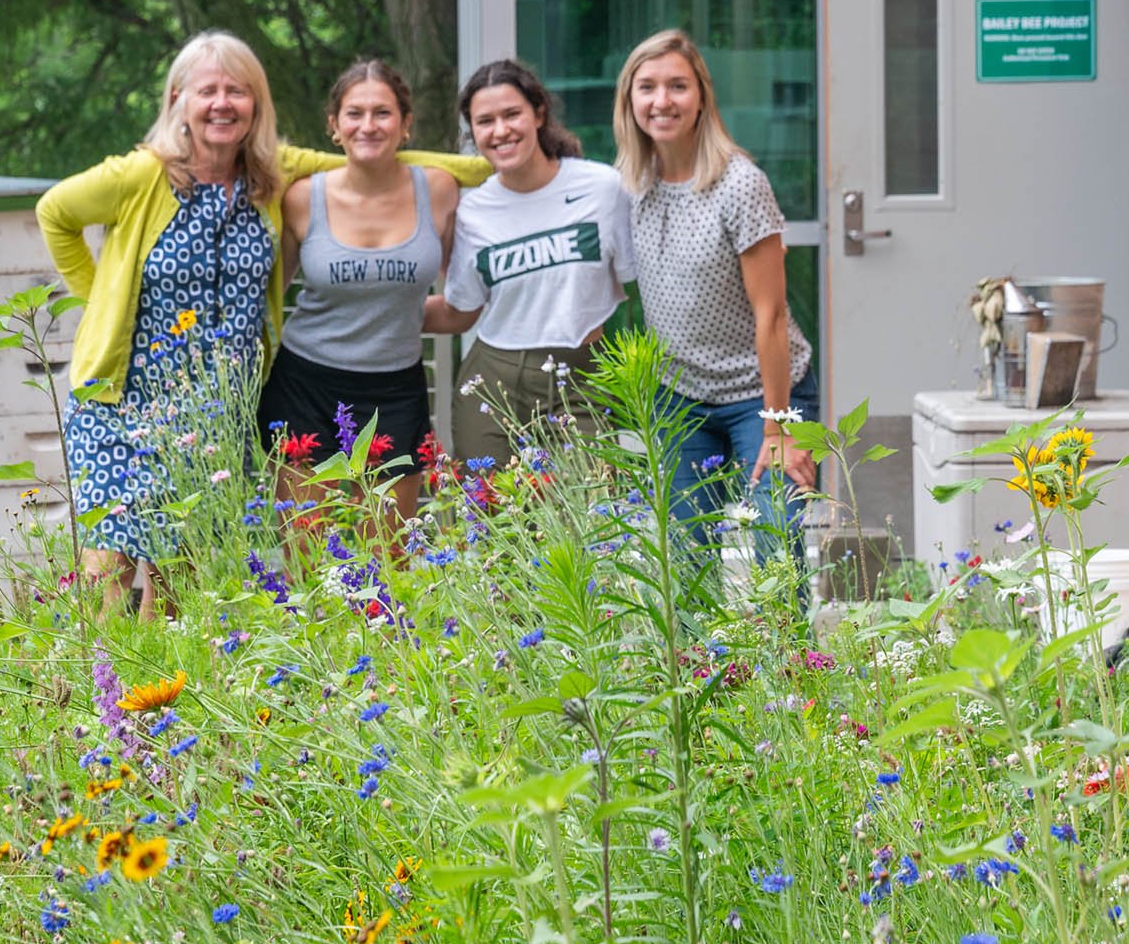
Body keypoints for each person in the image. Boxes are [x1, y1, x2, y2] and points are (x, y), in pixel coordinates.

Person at [37, 33, 482, 615]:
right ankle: (94, 699)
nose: (223, 104)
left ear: (256, 104)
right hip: (123, 401)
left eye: (237, 91)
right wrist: (98, 302)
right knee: (109, 572)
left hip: (216, 408)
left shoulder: (272, 173)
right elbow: (56, 213)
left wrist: (500, 164)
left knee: (183, 580)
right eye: (208, 91)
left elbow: (371, 157)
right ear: (178, 100)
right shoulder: (141, 175)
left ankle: (166, 702)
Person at [610, 28, 819, 562]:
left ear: (701, 96)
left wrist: (777, 430)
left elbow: (770, 316)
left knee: (777, 550)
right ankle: (700, 653)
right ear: (629, 99)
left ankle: (789, 651)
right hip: (678, 395)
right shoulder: (627, 186)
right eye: (647, 87)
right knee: (685, 563)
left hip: (764, 395)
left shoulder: (739, 184)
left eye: (677, 86)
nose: (662, 101)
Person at [258, 59, 463, 521]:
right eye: (355, 113)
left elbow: (461, 294)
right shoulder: (300, 197)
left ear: (406, 124)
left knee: (390, 558)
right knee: (306, 557)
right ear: (334, 125)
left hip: (396, 386)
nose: (368, 125)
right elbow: (270, 297)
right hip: (305, 384)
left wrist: (403, 316)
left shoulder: (440, 189)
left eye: (383, 113)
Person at [424, 59, 634, 469]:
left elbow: (640, 282)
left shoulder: (601, 188)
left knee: (590, 517)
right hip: (493, 377)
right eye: (485, 121)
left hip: (582, 375)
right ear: (473, 132)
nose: (500, 130)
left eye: (511, 114)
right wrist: (373, 311)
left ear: (538, 113)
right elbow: (461, 310)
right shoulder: (473, 212)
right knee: (492, 521)